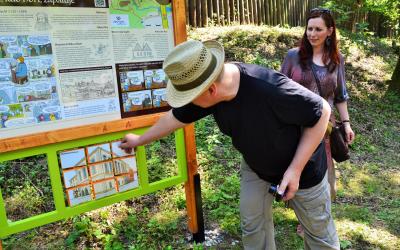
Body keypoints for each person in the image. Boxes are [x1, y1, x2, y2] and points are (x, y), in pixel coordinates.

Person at [120, 40, 339, 249]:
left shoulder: (269, 88)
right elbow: (175, 118)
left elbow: (322, 112)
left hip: (304, 168)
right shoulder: (208, 88)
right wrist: (140, 140)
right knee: (253, 226)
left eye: (189, 98)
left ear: (211, 90)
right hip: (257, 167)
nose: (189, 104)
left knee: (319, 234)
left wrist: (295, 170)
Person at [281, 8, 355, 239]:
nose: (312, 34)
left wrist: (347, 123)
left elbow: (340, 95)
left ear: (330, 31)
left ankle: (314, 219)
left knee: (322, 175)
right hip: (295, 127)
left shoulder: (336, 60)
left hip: (324, 129)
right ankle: (303, 216)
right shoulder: (293, 56)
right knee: (298, 171)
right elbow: (279, 87)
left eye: (318, 29)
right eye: (309, 28)